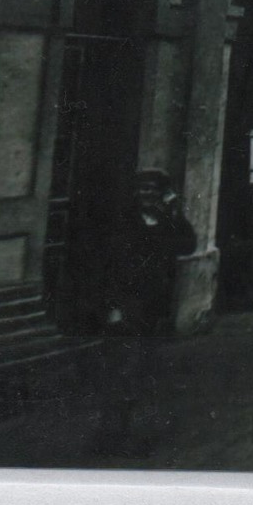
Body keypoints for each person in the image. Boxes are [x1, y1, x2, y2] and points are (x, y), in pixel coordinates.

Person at [91, 169, 197, 457]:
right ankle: (111, 435)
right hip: (124, 307)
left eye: (154, 191)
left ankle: (133, 436)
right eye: (143, 190)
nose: (147, 195)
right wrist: (112, 307)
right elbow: (109, 268)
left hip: (153, 308)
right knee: (121, 371)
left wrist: (175, 212)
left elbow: (188, 246)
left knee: (144, 373)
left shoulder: (165, 223)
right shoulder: (123, 223)